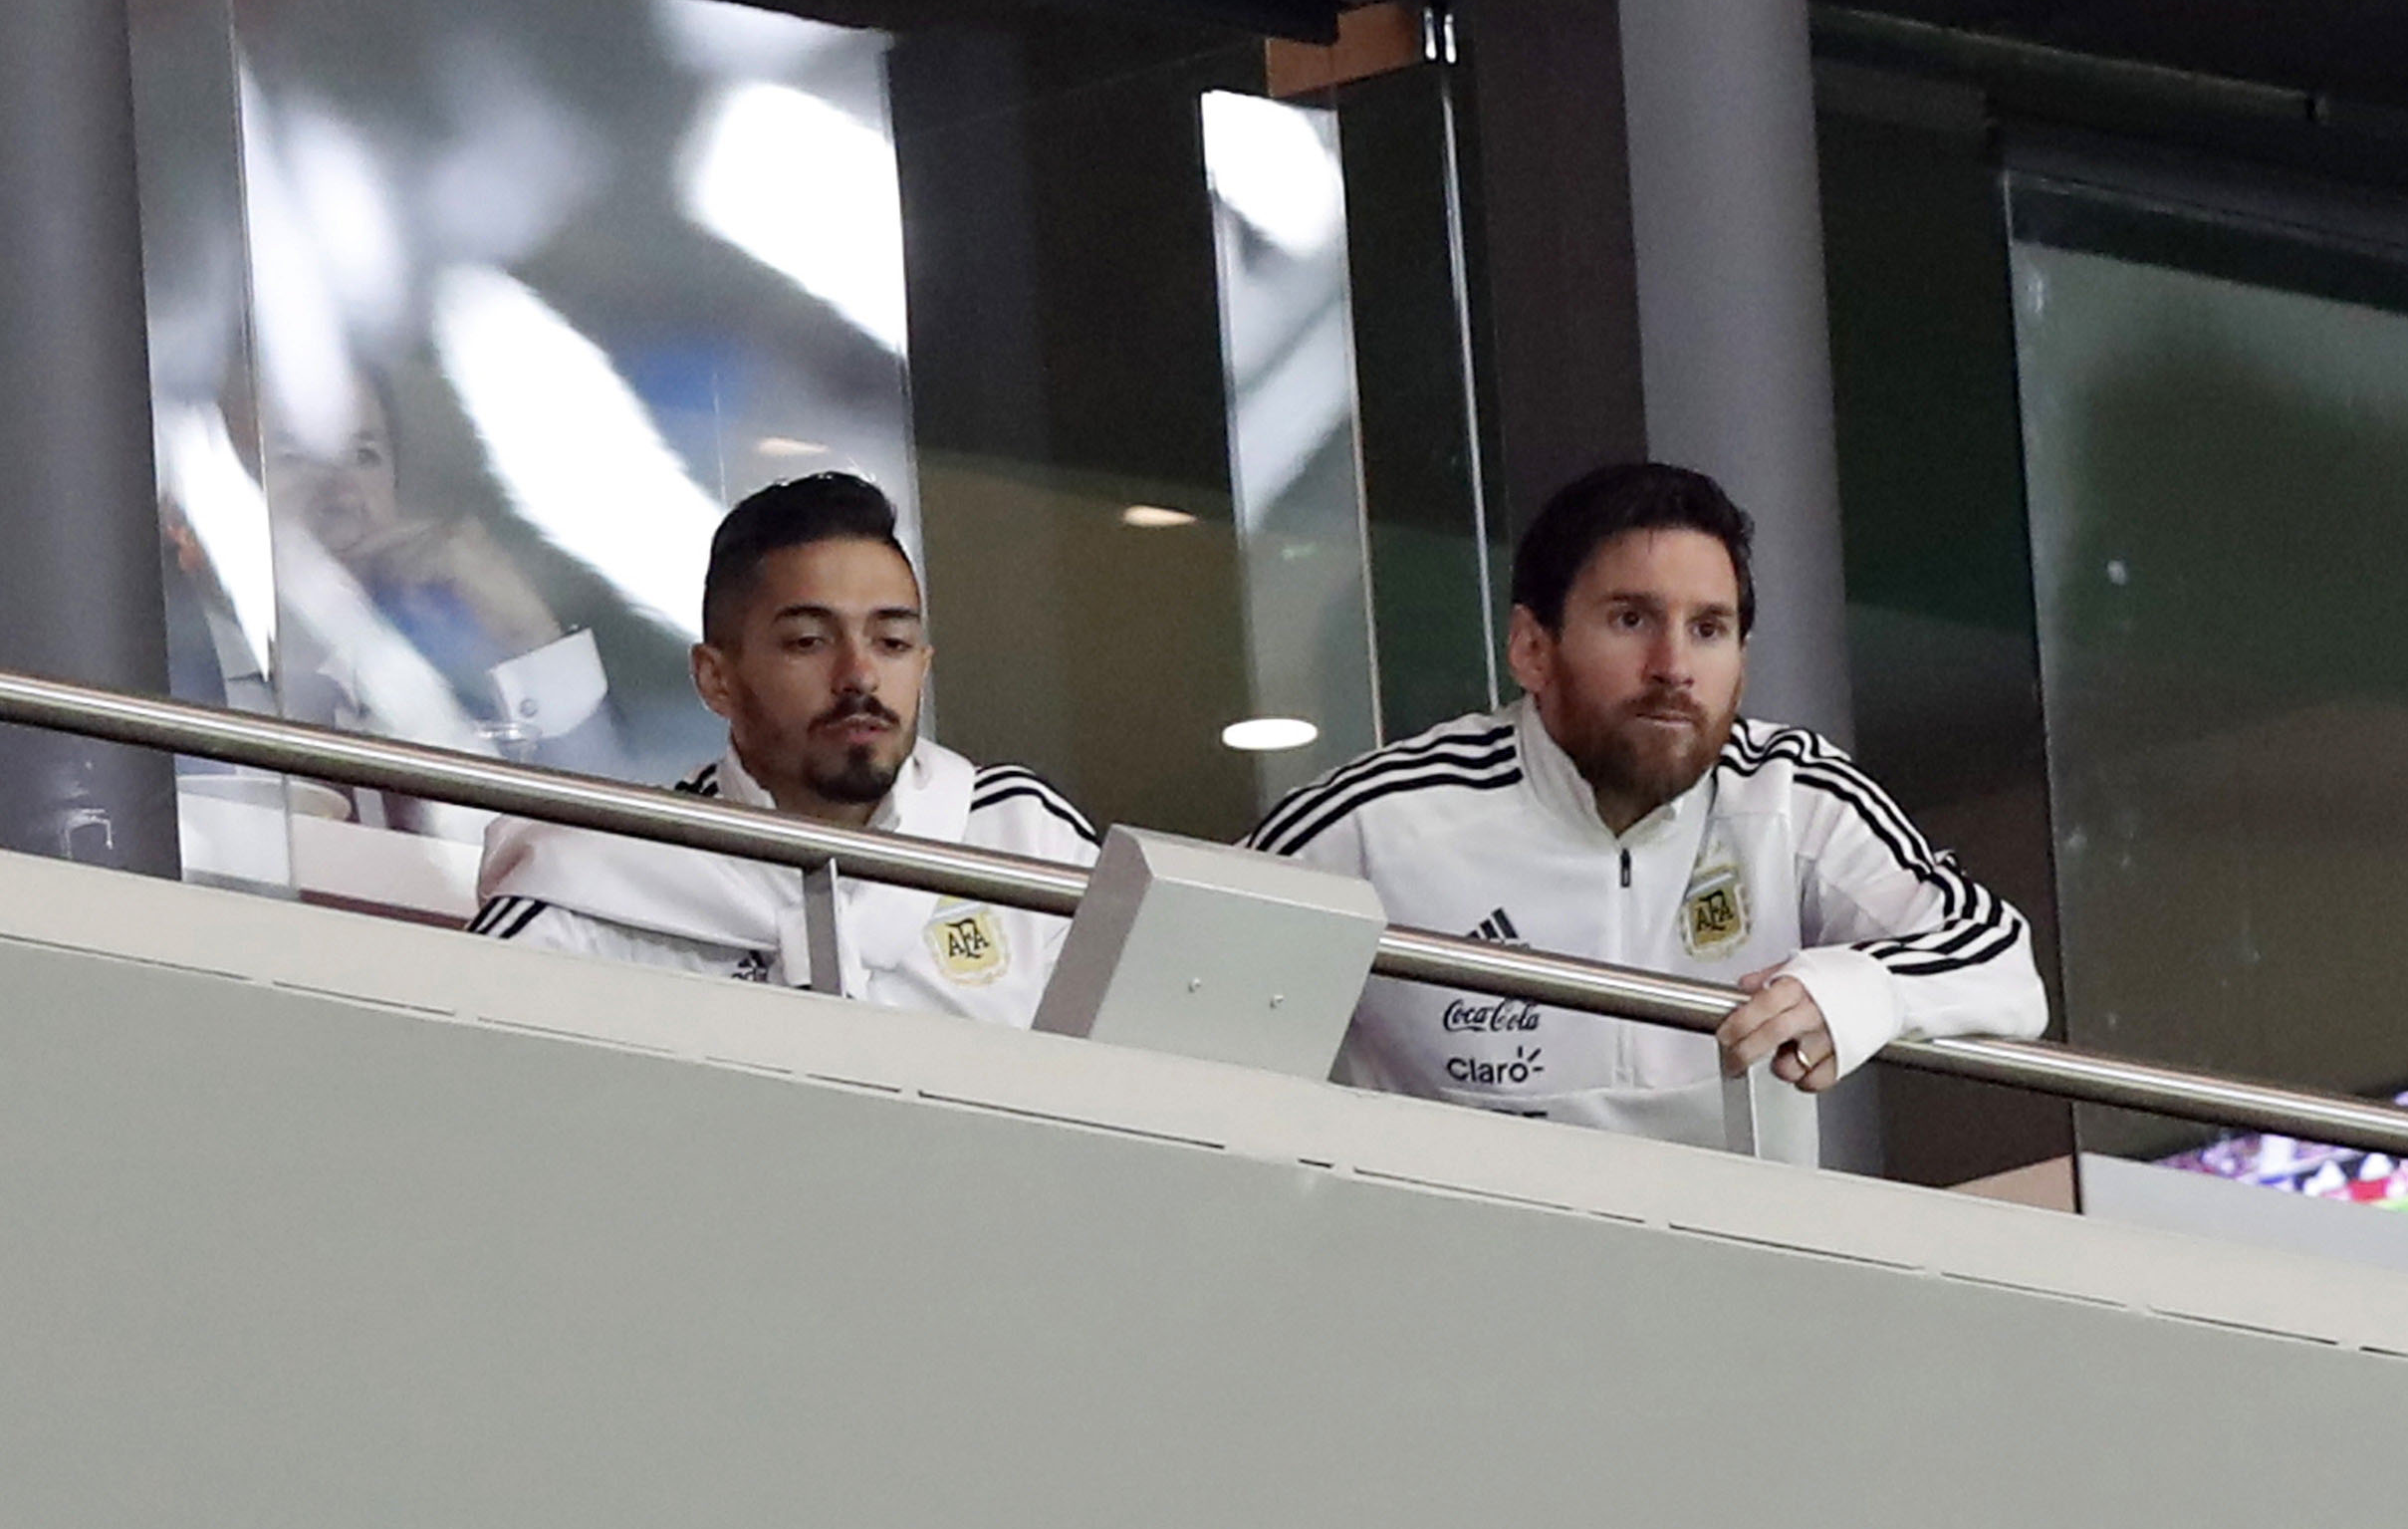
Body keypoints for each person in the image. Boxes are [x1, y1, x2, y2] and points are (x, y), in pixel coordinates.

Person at [1247, 462, 2047, 1146]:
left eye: (1708, 629)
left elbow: (2000, 963)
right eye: (1631, 620)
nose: (1673, 666)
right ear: (1531, 647)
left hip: (1730, 1292)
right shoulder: (1380, 819)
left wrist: (1855, 987)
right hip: (1449, 1296)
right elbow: (1171, 986)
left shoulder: (1791, 790)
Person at [472, 473, 1099, 1028]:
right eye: (807, 642)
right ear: (716, 679)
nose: (859, 675)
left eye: (892, 642)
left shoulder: (1022, 838)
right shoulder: (599, 877)